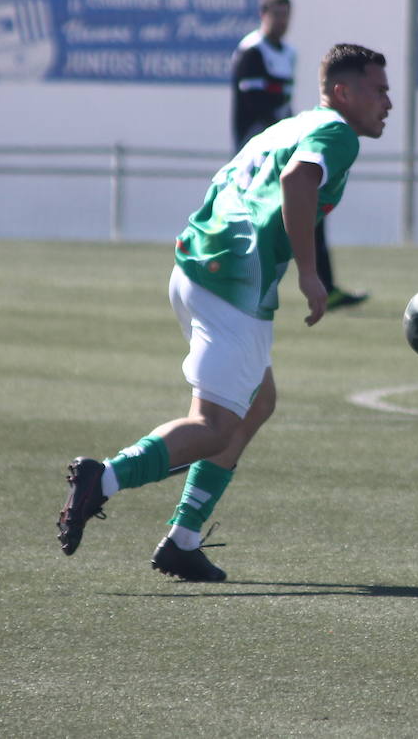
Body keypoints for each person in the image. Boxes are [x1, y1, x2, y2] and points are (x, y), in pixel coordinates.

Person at [58, 43, 391, 581]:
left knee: (258, 401)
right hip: (236, 284)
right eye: (379, 90)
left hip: (196, 265)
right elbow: (296, 182)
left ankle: (183, 542)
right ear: (342, 92)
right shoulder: (337, 133)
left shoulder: (285, 126)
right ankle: (105, 478)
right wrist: (309, 273)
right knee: (213, 427)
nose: (388, 102)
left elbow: (230, 180)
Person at [232, 0, 368, 309]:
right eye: (276, 14)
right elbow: (255, 104)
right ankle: (235, 281)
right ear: (263, 15)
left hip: (282, 148)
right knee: (254, 217)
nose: (282, 21)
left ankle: (326, 286)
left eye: (286, 15)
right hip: (258, 150)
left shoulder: (289, 53)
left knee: (310, 210)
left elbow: (282, 101)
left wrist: (296, 133)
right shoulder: (251, 51)